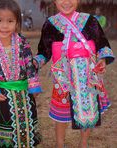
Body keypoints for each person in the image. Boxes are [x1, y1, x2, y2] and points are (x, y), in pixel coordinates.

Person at [33, 0, 115, 148]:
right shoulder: (50, 24)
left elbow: (102, 44)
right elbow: (44, 52)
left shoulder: (90, 21)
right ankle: (59, 144)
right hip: (63, 78)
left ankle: (83, 144)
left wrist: (102, 60)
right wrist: (35, 62)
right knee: (61, 114)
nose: (66, 2)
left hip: (88, 75)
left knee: (88, 111)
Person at [0, 0, 42, 147]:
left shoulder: (22, 42)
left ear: (17, 23)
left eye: (10, 21)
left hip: (23, 94)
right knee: (2, 125)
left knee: (23, 126)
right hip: (1, 94)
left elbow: (29, 64)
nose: (4, 26)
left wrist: (33, 85)